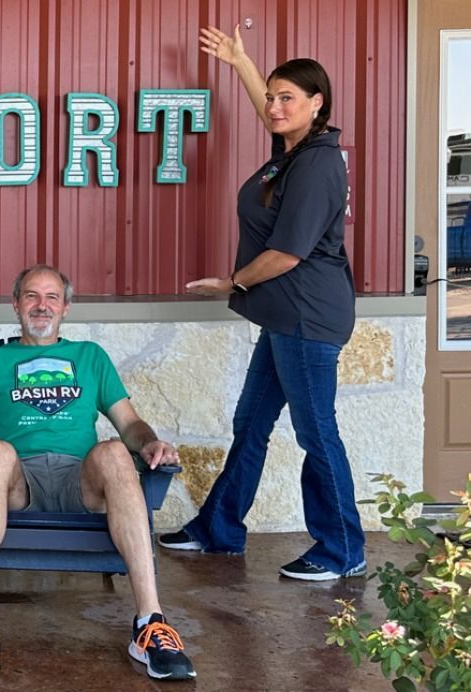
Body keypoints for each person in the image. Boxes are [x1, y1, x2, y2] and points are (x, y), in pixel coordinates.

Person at [159, 27, 366, 583]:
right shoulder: (295, 151)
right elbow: (271, 115)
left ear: (317, 103)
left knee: (315, 431)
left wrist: (231, 282)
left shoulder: (320, 162)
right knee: (251, 424)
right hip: (282, 317)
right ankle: (219, 529)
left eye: (288, 98)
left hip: (305, 315)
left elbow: (287, 253)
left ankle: (342, 547)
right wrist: (242, 64)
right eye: (272, 97)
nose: (274, 107)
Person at [0, 265, 196, 681]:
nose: (41, 306)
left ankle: (150, 623)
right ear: (15, 304)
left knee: (115, 451)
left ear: (66, 307)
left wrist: (150, 442)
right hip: (20, 484)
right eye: (31, 296)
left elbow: (130, 425)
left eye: (52, 297)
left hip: (80, 483)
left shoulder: (90, 357)